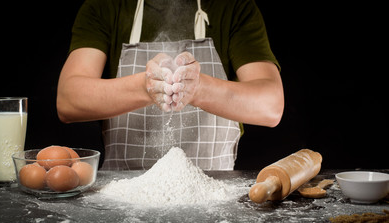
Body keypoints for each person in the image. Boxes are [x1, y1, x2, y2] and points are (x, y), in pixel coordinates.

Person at [57, 0, 284, 170]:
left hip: (214, 195)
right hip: (121, 195)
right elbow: (68, 100)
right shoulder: (104, 7)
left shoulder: (234, 7)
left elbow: (271, 105)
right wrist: (145, 86)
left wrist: (198, 88)